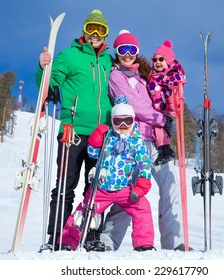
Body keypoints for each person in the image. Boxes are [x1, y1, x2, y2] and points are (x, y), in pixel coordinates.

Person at [100, 30, 188, 251]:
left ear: (137, 52)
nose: (128, 54)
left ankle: (174, 242)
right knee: (129, 190)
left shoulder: (144, 77)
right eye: (123, 50)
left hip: (157, 142)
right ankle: (107, 242)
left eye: (132, 50)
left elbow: (163, 88)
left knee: (171, 189)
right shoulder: (116, 77)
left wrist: (172, 102)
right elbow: (134, 107)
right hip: (134, 142)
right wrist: (161, 118)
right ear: (117, 52)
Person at [35, 9, 114, 249]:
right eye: (91, 28)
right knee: (66, 185)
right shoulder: (69, 56)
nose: (95, 34)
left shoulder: (109, 61)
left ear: (105, 33)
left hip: (101, 135)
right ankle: (56, 237)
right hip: (72, 131)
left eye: (100, 30)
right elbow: (47, 85)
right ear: (84, 31)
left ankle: (91, 237)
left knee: (95, 189)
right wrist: (42, 67)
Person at [59, 98, 155, 252]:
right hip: (101, 189)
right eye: (118, 122)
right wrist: (96, 140)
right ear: (112, 121)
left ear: (133, 121)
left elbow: (144, 163)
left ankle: (143, 244)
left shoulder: (137, 141)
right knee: (83, 212)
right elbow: (92, 154)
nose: (123, 126)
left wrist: (141, 185)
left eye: (127, 121)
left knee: (142, 208)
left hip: (123, 190)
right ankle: (67, 242)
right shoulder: (108, 137)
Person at [147, 40, 186, 165]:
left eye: (161, 59)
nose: (157, 62)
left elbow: (179, 79)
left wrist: (169, 82)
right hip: (159, 110)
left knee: (161, 129)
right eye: (155, 60)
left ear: (168, 61)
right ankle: (163, 151)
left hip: (169, 110)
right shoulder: (153, 76)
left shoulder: (171, 74)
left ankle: (165, 150)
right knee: (158, 129)